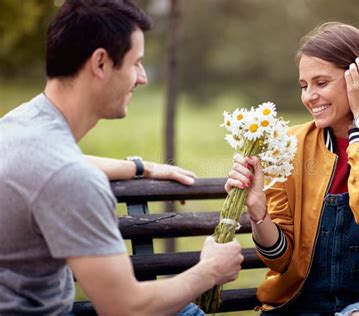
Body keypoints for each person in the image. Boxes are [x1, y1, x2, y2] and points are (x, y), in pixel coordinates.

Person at [0, 0, 243, 315]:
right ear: (100, 63)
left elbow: (49, 169)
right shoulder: (67, 176)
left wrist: (141, 168)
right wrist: (211, 269)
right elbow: (125, 308)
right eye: (136, 63)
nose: (142, 78)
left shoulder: (20, 125)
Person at [226, 22, 359, 316]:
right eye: (304, 86)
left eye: (321, 83)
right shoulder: (289, 144)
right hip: (298, 302)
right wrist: (259, 214)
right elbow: (280, 261)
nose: (309, 96)